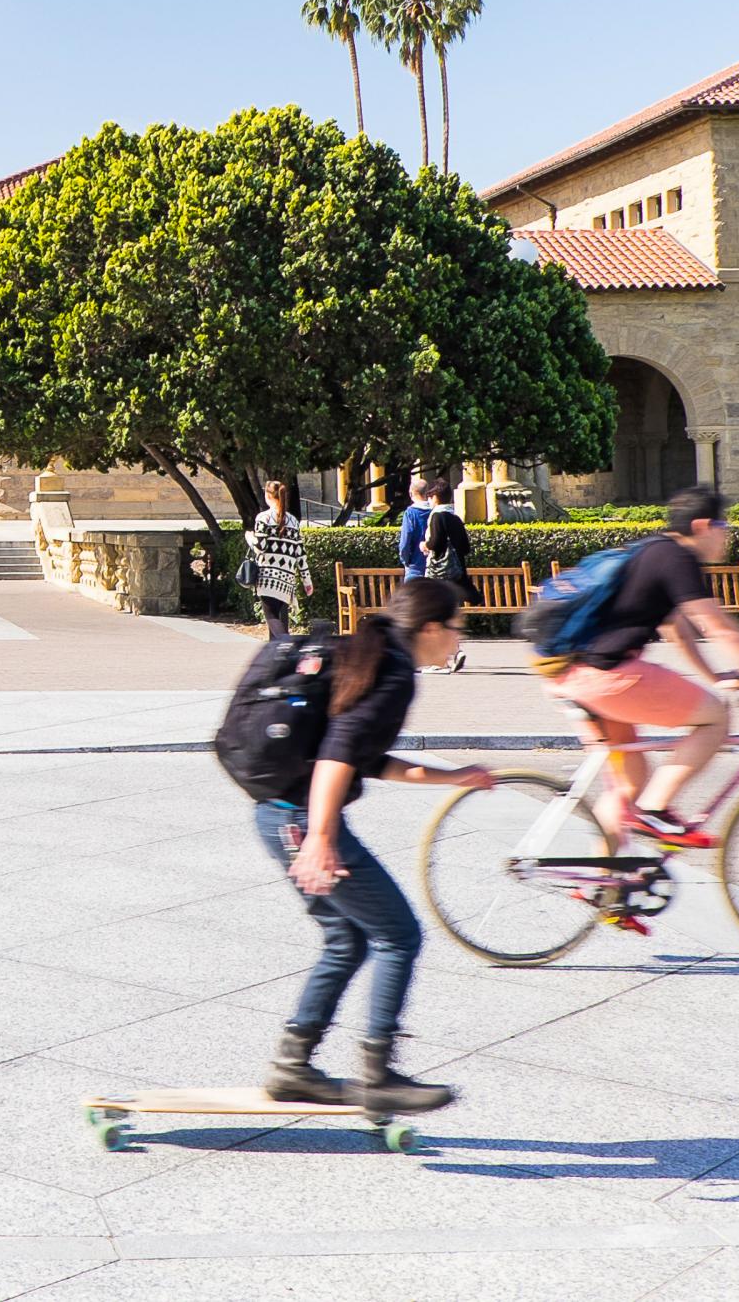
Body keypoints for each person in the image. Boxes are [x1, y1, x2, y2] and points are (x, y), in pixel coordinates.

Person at [253, 578, 493, 1115]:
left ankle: (293, 1067)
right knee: (398, 935)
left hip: (277, 814)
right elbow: (338, 755)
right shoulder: (392, 672)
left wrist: (451, 777)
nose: (458, 639)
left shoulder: (374, 655)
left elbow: (365, 758)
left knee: (346, 939)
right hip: (299, 819)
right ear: (430, 628)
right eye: (457, 628)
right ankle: (377, 1074)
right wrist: (319, 839)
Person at [542, 484, 739, 852]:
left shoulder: (653, 551)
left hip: (574, 675)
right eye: (724, 528)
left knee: (627, 786)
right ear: (702, 526)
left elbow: (675, 627)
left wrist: (716, 676)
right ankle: (655, 811)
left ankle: (606, 892)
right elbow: (717, 628)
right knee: (715, 717)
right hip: (607, 675)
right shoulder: (677, 558)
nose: (727, 537)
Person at [418, 478, 475, 673]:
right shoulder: (455, 518)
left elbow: (436, 543)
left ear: (434, 497)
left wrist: (425, 545)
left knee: (435, 615)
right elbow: (466, 547)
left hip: (439, 574)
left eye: (430, 497)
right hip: (456, 574)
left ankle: (439, 660)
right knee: (449, 613)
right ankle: (456, 650)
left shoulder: (437, 516)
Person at [246, 480, 312, 641]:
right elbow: (300, 553)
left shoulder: (263, 518)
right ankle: (276, 655)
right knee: (280, 617)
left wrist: (249, 537)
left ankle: (287, 644)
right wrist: (307, 580)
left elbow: (260, 546)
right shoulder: (293, 521)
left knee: (271, 617)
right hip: (287, 579)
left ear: (268, 496)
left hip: (268, 577)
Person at [396, 476, 435, 579]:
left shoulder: (410, 513)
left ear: (411, 493)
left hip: (415, 567)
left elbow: (405, 542)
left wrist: (405, 561)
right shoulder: (435, 511)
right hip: (434, 567)